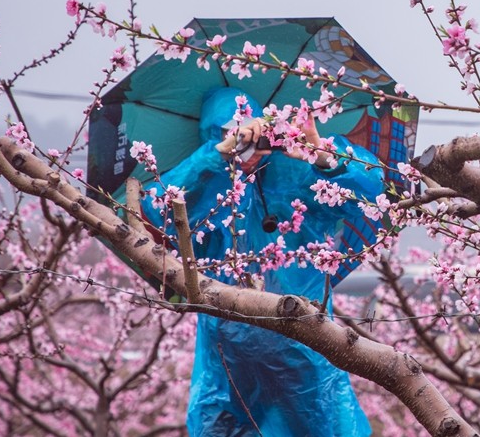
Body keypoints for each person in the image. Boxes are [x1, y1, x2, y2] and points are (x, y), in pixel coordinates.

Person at [142, 87, 382, 437]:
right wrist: (212, 159)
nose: (245, 145)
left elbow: (372, 193)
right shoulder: (205, 188)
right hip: (227, 365)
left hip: (305, 347)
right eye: (229, 135)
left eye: (248, 133)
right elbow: (155, 212)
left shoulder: (298, 175)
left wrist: (323, 155)